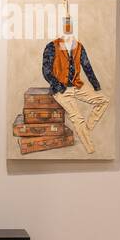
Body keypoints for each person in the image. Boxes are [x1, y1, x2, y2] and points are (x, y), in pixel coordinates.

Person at [42, 8, 109, 154]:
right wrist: (59, 87)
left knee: (103, 101)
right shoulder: (51, 47)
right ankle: (90, 149)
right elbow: (46, 71)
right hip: (61, 88)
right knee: (77, 117)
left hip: (77, 85)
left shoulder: (79, 46)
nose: (69, 32)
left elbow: (87, 66)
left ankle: (86, 129)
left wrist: (96, 86)